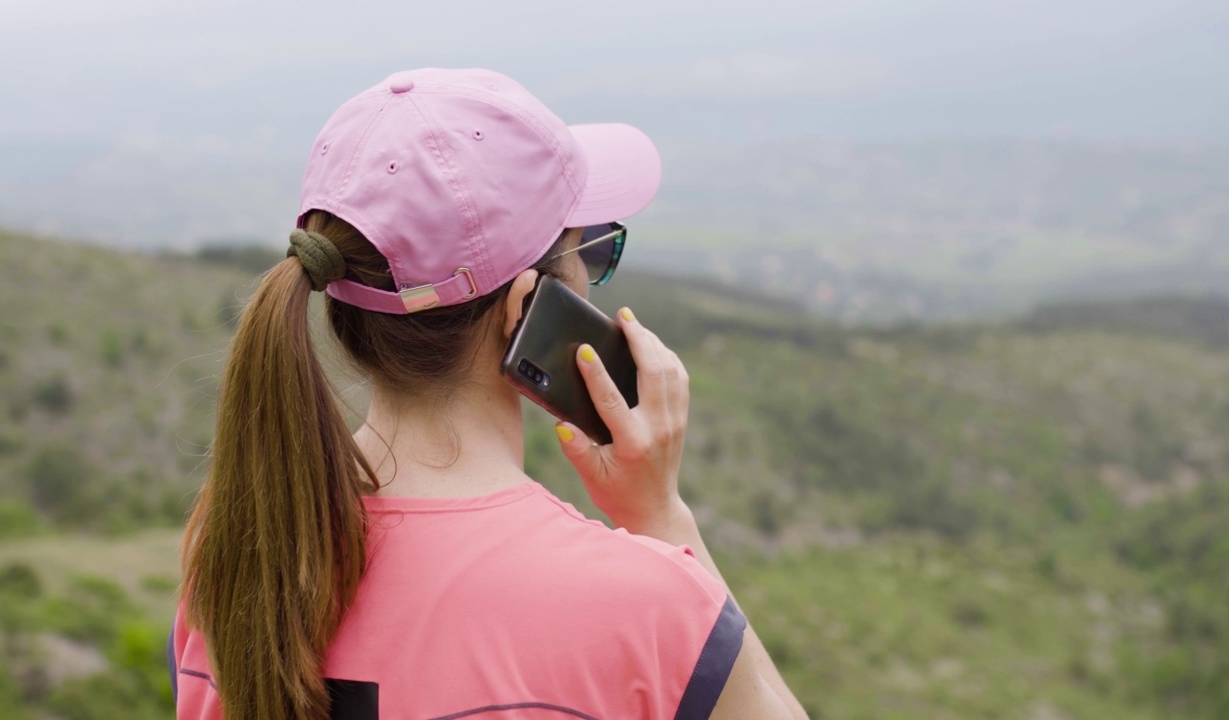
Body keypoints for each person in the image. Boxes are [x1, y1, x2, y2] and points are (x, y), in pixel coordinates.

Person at [170, 67, 807, 720]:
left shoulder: (238, 554)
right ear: (527, 306)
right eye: (591, 252)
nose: (592, 275)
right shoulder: (650, 607)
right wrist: (663, 519)